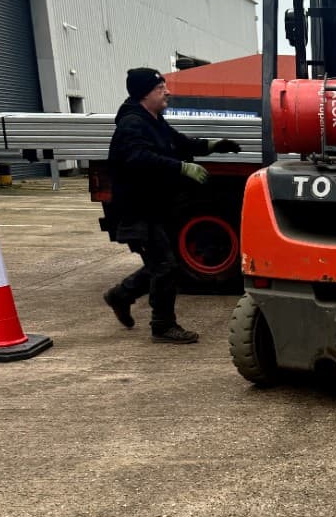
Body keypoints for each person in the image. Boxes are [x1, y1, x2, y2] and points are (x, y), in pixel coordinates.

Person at [103, 67, 241, 343]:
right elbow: (137, 158)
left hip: (157, 205)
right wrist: (182, 168)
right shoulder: (132, 124)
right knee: (166, 266)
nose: (167, 92)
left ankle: (121, 295)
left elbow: (178, 142)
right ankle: (163, 325)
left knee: (164, 262)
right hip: (138, 208)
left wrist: (212, 145)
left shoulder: (153, 119)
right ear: (144, 94)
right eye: (159, 89)